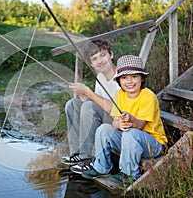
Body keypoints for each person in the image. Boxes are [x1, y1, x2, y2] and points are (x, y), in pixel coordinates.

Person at [81, 55, 168, 187]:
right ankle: (101, 166)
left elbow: (140, 125)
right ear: (119, 81)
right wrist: (118, 123)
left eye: (134, 76)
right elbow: (115, 122)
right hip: (129, 141)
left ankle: (129, 174)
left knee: (130, 132)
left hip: (153, 145)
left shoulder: (148, 96)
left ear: (142, 78)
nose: (129, 81)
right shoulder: (119, 95)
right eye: (124, 78)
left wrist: (131, 119)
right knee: (104, 129)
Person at [61, 39, 120, 174]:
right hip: (105, 117)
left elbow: (114, 109)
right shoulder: (100, 77)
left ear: (111, 54)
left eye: (103, 55)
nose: (100, 61)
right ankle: (76, 153)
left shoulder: (121, 77)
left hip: (119, 121)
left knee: (89, 106)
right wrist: (86, 97)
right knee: (72, 104)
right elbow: (98, 101)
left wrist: (89, 94)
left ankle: (88, 158)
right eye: (94, 59)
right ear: (92, 64)